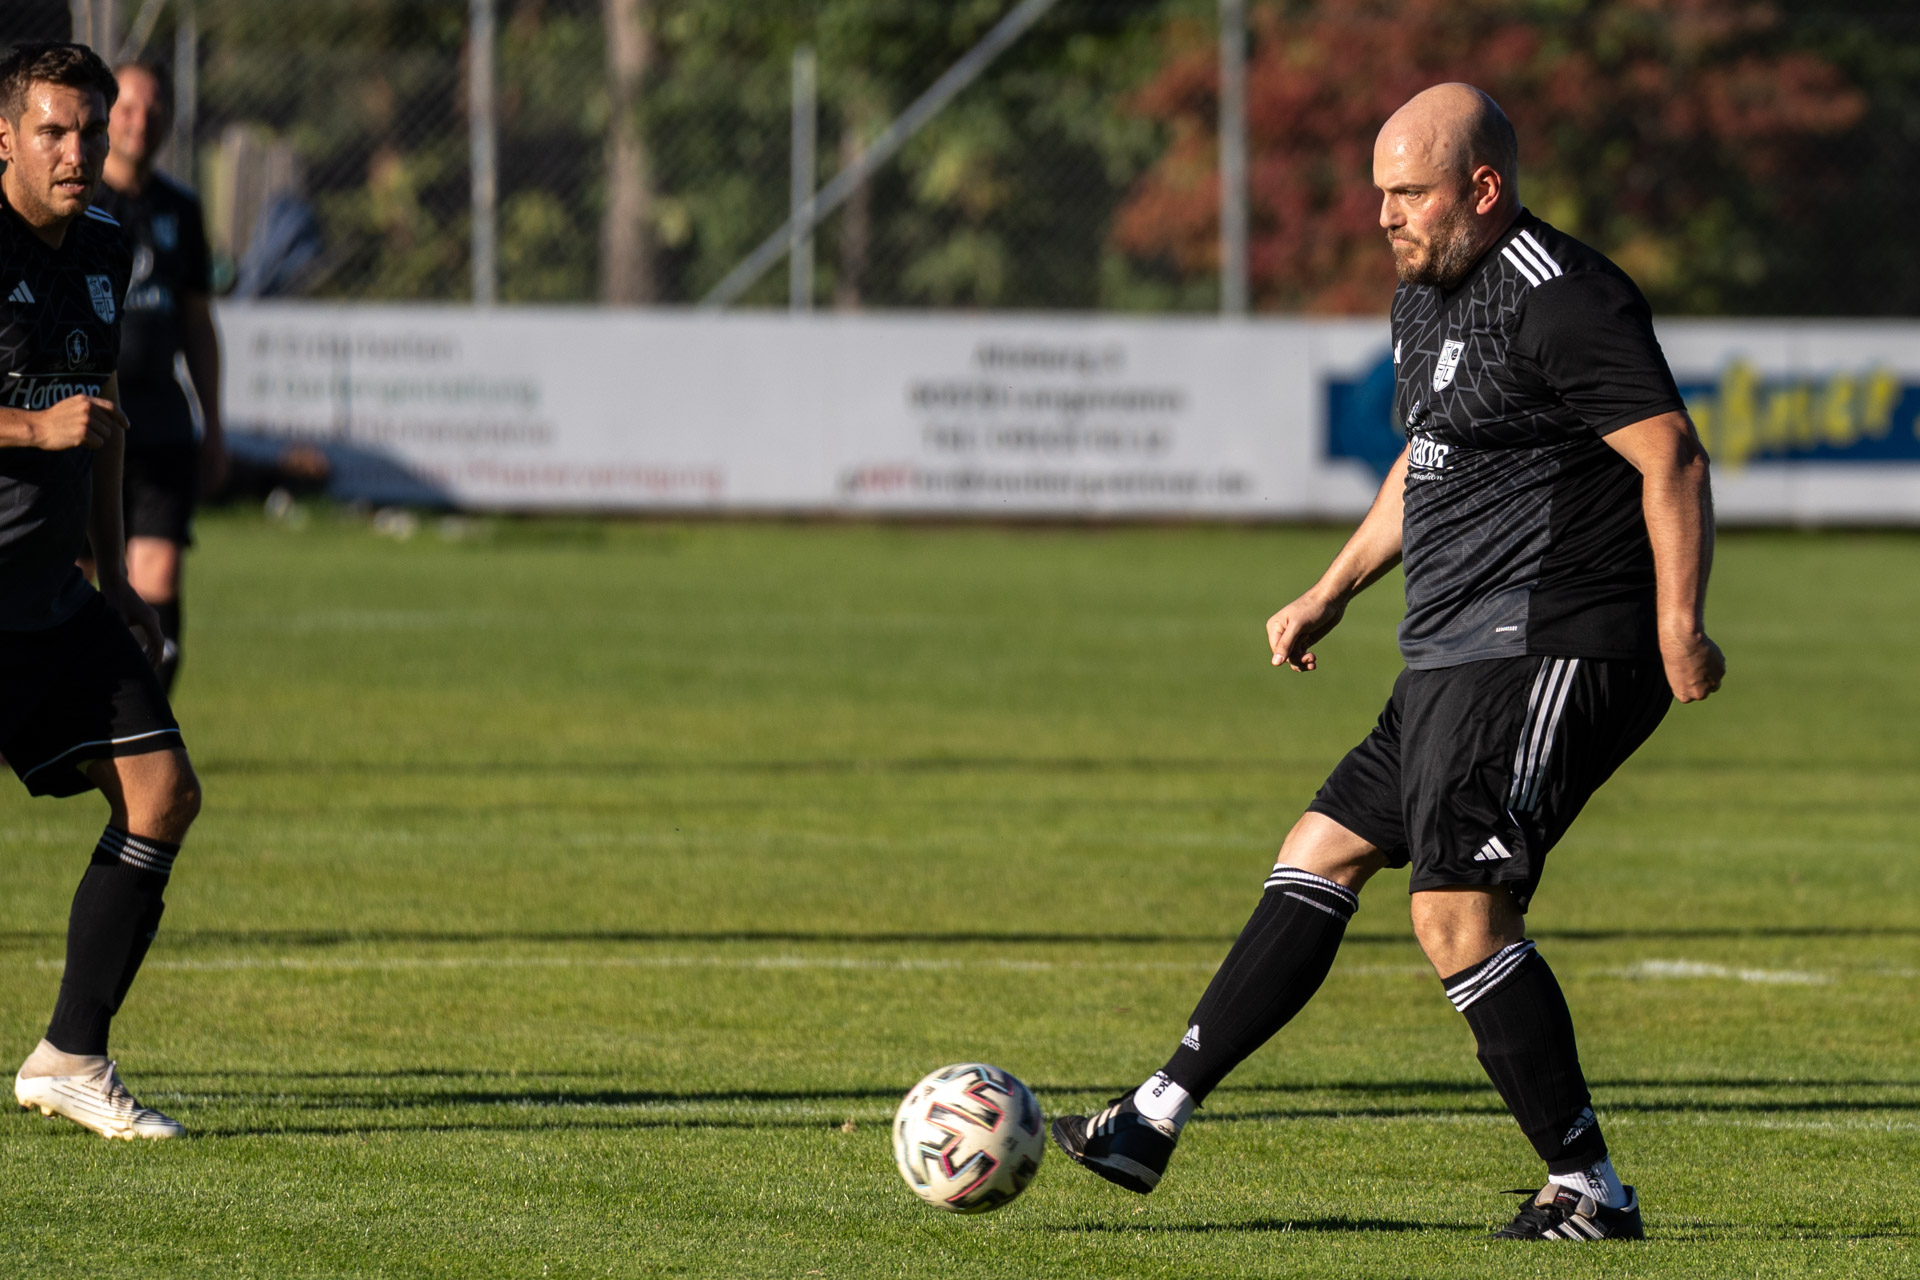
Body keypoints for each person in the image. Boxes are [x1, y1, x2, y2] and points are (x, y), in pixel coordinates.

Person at [1051, 83, 1724, 1242]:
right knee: (1319, 849)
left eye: (1409, 192)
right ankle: (1152, 1115)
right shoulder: (1424, 297)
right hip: (1451, 650)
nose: (1383, 216)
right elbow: (1429, 459)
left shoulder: (1567, 299)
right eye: (1379, 192)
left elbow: (1673, 456)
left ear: (1484, 188)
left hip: (1550, 640)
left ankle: (1589, 1188)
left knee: (1458, 909)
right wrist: (1331, 589)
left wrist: (1679, 623)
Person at [1, 41, 201, 1140]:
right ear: (4, 137)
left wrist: (117, 574)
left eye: (89, 128)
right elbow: (59, 421)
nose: (76, 150)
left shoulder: (107, 247)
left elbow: (107, 415)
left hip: (48, 594)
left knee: (161, 792)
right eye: (52, 131)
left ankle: (71, 1055)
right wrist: (33, 428)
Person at [88, 56, 224, 693]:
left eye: (154, 109)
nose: (141, 122)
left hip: (162, 422)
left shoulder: (181, 210)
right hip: (86, 421)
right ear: (105, 117)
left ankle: (143, 728)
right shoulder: (75, 201)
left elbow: (197, 322)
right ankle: (65, 723)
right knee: (75, 581)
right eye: (128, 109)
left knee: (158, 580)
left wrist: (214, 422)